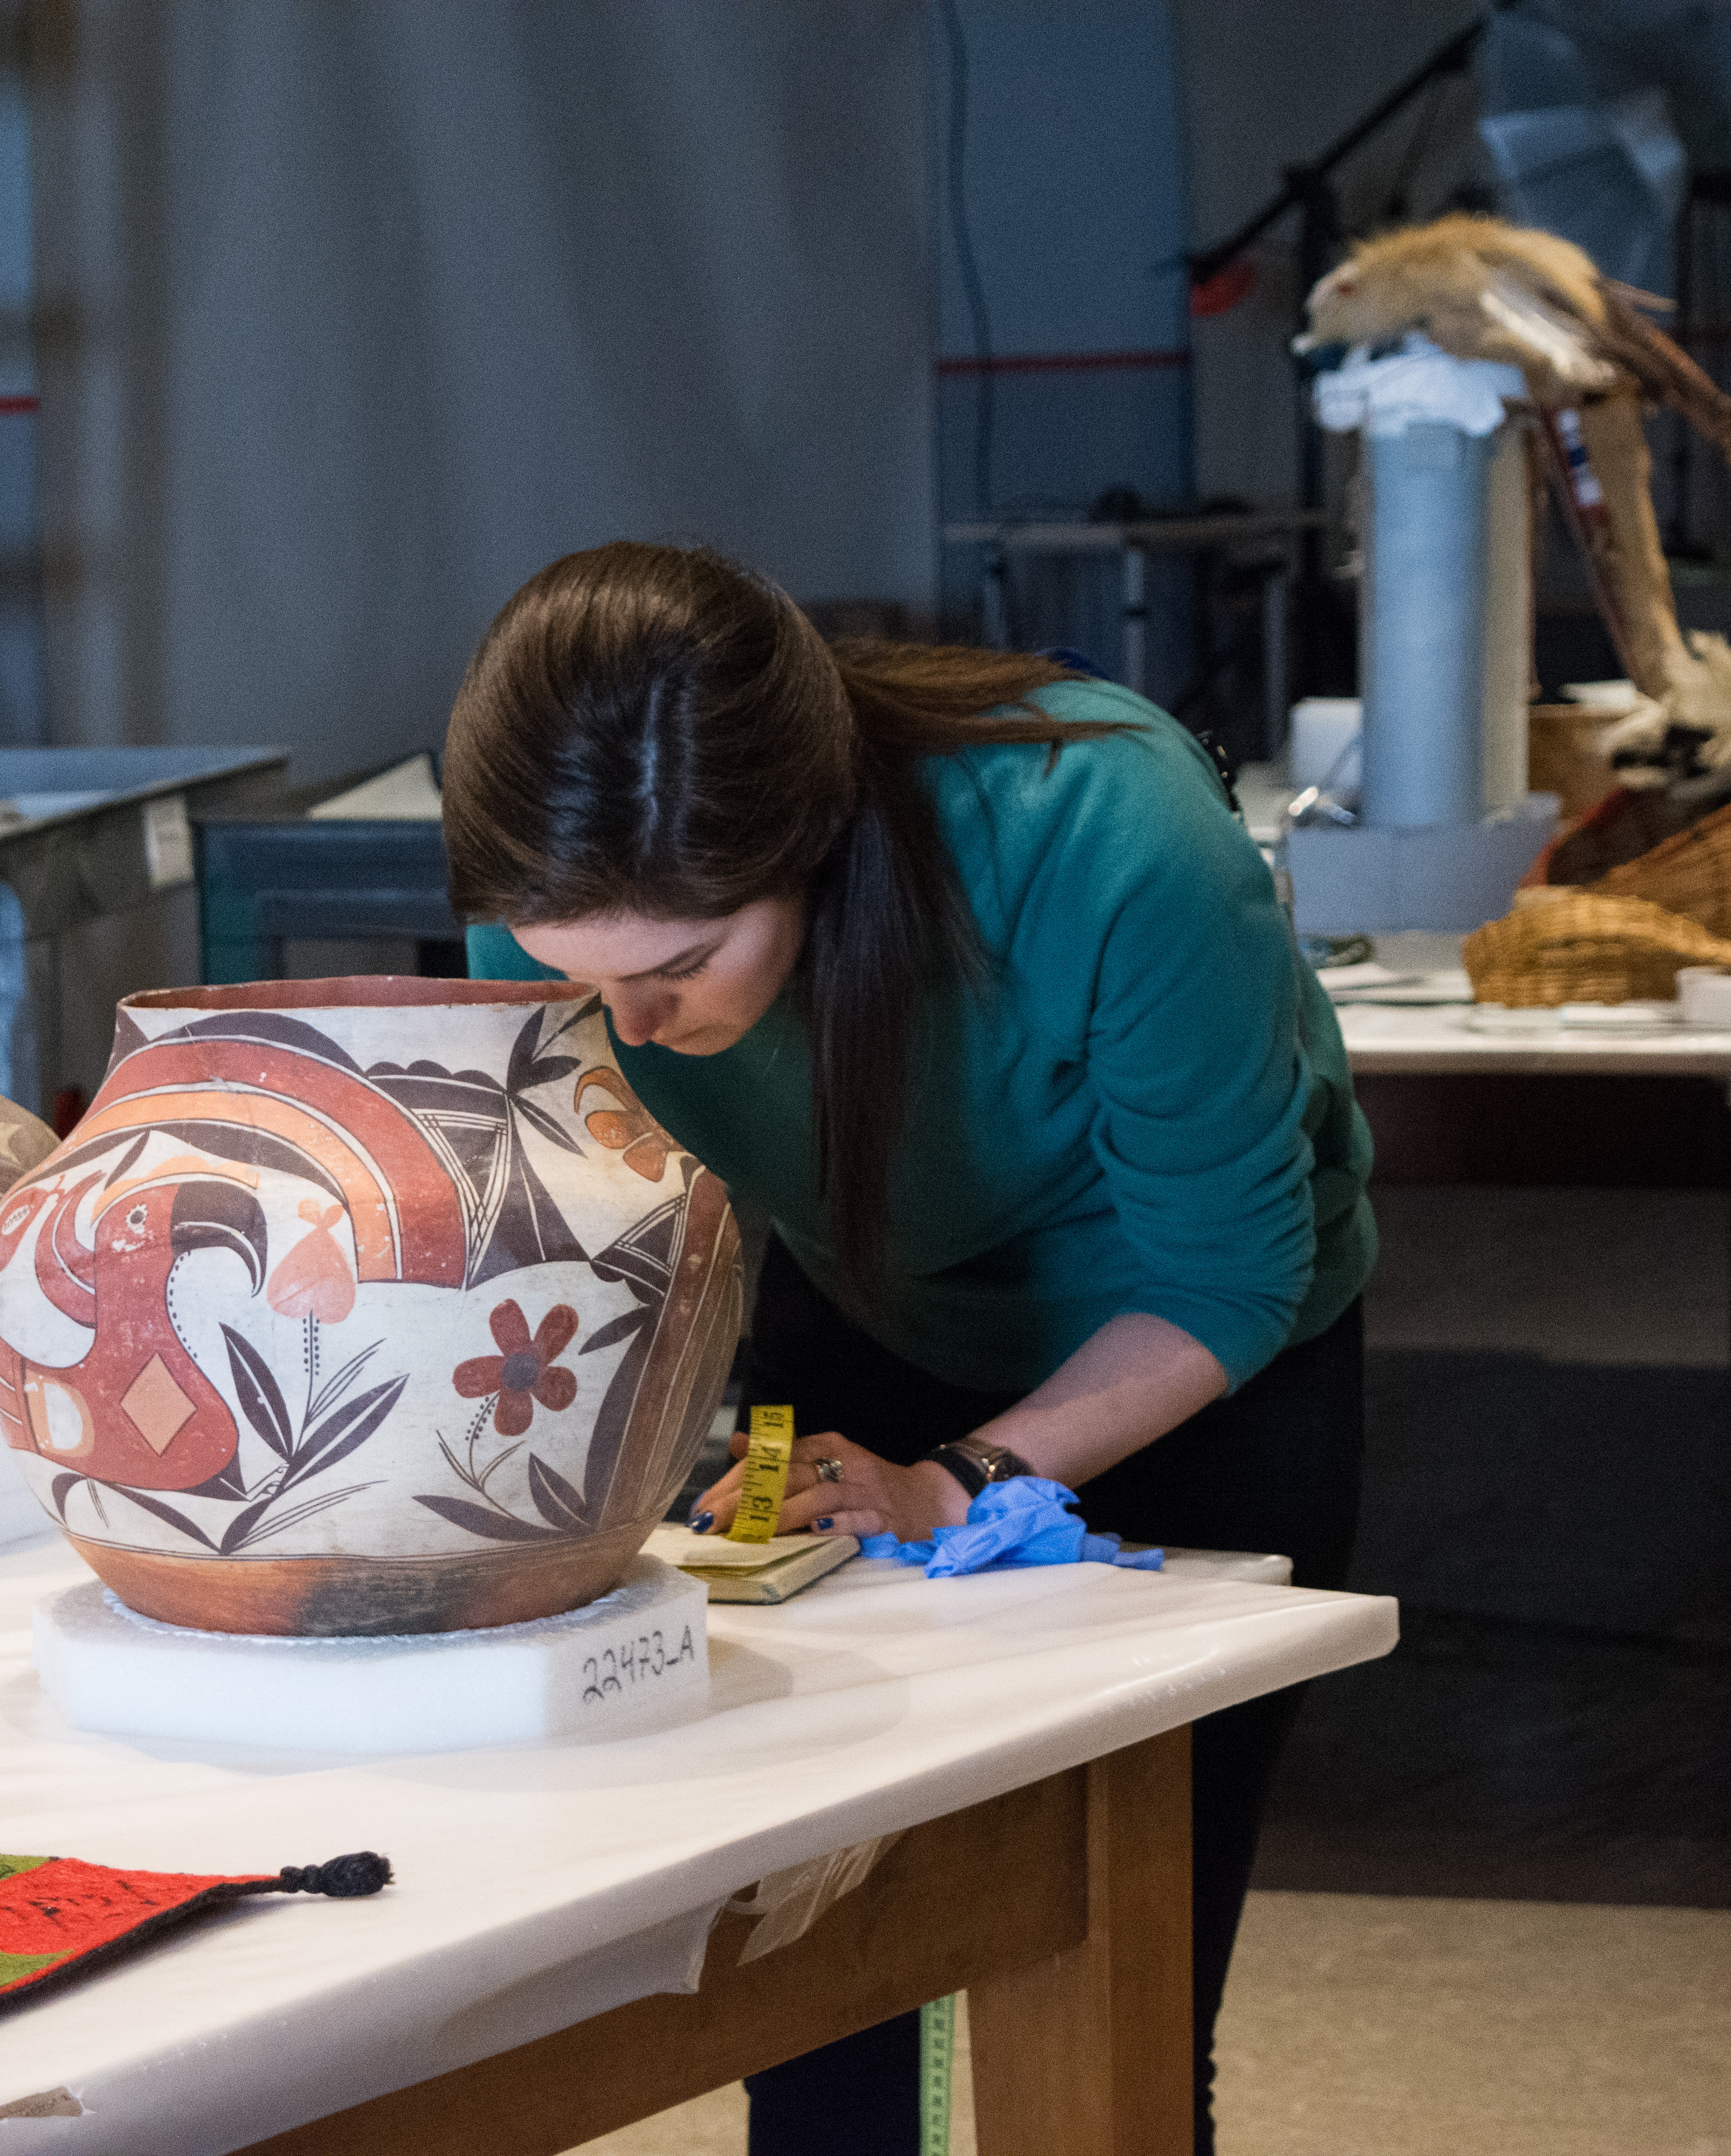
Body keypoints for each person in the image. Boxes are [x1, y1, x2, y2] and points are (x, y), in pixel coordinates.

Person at [445, 542, 1372, 2156]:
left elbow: (1228, 1278)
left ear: (809, 840)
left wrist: (961, 1483)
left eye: (678, 969)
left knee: (1119, 1987)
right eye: (576, 972)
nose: (631, 1025)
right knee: (825, 2001)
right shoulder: (558, 892)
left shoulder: (1108, 835)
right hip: (867, 1297)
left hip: (1191, 1358)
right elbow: (572, 1228)